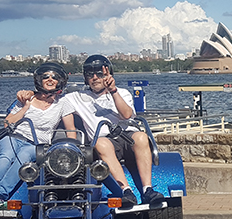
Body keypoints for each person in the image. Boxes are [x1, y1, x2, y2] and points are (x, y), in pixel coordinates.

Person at [16, 55, 163, 207]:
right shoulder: (77, 97)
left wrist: (113, 90)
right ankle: (125, 190)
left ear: (108, 74)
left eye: (100, 74)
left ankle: (148, 189)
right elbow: (51, 94)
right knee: (101, 143)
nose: (95, 78)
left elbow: (126, 115)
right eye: (90, 74)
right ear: (86, 78)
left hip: (127, 136)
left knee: (141, 136)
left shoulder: (122, 92)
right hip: (103, 142)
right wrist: (30, 94)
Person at [0, 62, 76, 210]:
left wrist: (71, 149)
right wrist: (25, 107)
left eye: (55, 77)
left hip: (36, 144)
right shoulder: (27, 98)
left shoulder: (63, 103)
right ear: (39, 80)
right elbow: (7, 123)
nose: (50, 79)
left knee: (24, 156)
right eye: (46, 76)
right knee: (7, 155)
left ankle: (0, 195)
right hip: (13, 136)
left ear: (60, 81)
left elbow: (71, 129)